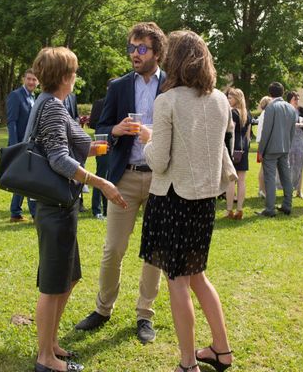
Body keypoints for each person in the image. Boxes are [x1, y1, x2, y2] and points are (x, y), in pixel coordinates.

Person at [139, 30, 236, 372]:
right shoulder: (221, 101)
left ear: (173, 61)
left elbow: (158, 161)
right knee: (197, 277)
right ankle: (222, 351)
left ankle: (187, 364)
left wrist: (149, 140)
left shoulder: (167, 101)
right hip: (204, 201)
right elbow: (220, 148)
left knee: (179, 281)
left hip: (173, 201)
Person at [28, 47, 127, 372]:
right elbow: (57, 158)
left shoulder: (50, 103)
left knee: (68, 278)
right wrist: (101, 183)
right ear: (64, 77)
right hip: (55, 206)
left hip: (60, 205)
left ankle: (51, 343)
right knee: (54, 282)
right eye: (74, 72)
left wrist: (97, 142)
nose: (76, 78)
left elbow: (67, 141)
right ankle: (45, 359)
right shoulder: (53, 108)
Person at [74, 22, 167, 344]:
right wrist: (116, 129)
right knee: (113, 248)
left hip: (159, 176)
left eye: (141, 48)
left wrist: (152, 134)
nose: (134, 54)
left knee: (154, 251)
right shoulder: (118, 86)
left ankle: (145, 315)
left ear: (157, 52)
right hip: (124, 176)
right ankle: (103, 309)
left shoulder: (172, 86)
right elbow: (102, 124)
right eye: (131, 47)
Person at [257, 82, 296, 217]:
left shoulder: (270, 107)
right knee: (286, 177)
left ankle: (270, 209)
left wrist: (260, 150)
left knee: (270, 178)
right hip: (285, 148)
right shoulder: (291, 108)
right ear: (283, 92)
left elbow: (266, 132)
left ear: (270, 93)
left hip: (271, 149)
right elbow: (292, 132)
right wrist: (288, 146)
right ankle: (287, 205)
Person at [6, 69, 39, 222]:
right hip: (20, 145)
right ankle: (34, 213)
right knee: (28, 178)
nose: (31, 82)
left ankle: (15, 212)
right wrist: (16, 146)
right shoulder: (16, 95)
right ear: (23, 79)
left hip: (31, 144)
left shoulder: (33, 97)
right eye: (29, 79)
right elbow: (11, 122)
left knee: (23, 179)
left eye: (34, 79)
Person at [88, 79, 114, 219]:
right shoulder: (99, 103)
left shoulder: (119, 104)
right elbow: (92, 123)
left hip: (116, 144)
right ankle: (96, 209)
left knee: (110, 176)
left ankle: (107, 209)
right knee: (100, 175)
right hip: (102, 142)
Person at [225, 87, 251, 220]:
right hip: (244, 149)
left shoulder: (232, 113)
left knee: (231, 180)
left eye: (230, 97)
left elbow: (230, 131)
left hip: (232, 147)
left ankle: (229, 210)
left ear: (237, 99)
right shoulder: (247, 113)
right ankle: (239, 209)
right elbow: (248, 135)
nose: (228, 99)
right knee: (242, 181)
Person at [286, 91, 303, 199]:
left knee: (300, 165)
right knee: (289, 165)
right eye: (295, 99)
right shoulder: (286, 110)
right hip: (289, 141)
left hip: (300, 140)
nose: (297, 101)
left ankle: (299, 191)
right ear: (289, 100)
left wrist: (302, 124)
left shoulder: (302, 110)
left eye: (298, 99)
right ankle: (288, 190)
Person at [255, 96, 272, 199]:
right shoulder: (266, 114)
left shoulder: (263, 114)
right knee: (264, 168)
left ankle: (262, 190)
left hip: (262, 143)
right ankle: (262, 190)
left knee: (263, 168)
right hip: (264, 143)